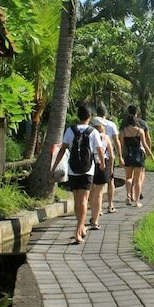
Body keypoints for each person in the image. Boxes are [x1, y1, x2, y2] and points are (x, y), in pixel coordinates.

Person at [50, 104, 105, 244]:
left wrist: (54, 167)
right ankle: (79, 229)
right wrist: (102, 163)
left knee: (77, 200)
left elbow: (63, 149)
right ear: (89, 117)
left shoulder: (70, 130)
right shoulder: (93, 132)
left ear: (78, 116)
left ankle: (79, 226)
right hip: (88, 170)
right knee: (84, 200)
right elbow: (99, 150)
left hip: (73, 170)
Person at [119, 109, 154, 207]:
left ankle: (128, 195)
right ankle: (137, 201)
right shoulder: (140, 131)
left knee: (128, 177)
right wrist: (151, 154)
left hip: (128, 154)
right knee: (138, 179)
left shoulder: (123, 131)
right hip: (138, 155)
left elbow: (121, 145)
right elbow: (144, 144)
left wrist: (121, 157)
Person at [88, 116, 116, 230]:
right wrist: (111, 168)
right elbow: (111, 155)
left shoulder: (88, 136)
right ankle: (95, 218)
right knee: (99, 194)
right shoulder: (105, 138)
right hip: (102, 164)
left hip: (89, 165)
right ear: (100, 126)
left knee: (91, 191)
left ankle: (93, 213)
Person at [95, 104, 122, 213]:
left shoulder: (93, 125)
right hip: (108, 156)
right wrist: (120, 156)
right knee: (111, 180)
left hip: (95, 157)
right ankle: (110, 205)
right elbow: (116, 141)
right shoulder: (111, 125)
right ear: (106, 114)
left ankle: (98, 208)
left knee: (96, 184)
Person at [126, 104, 152, 199]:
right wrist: (149, 151)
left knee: (129, 176)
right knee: (140, 175)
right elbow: (147, 138)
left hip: (128, 152)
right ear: (137, 112)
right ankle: (138, 192)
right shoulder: (142, 123)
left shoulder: (124, 124)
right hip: (139, 152)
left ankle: (130, 194)